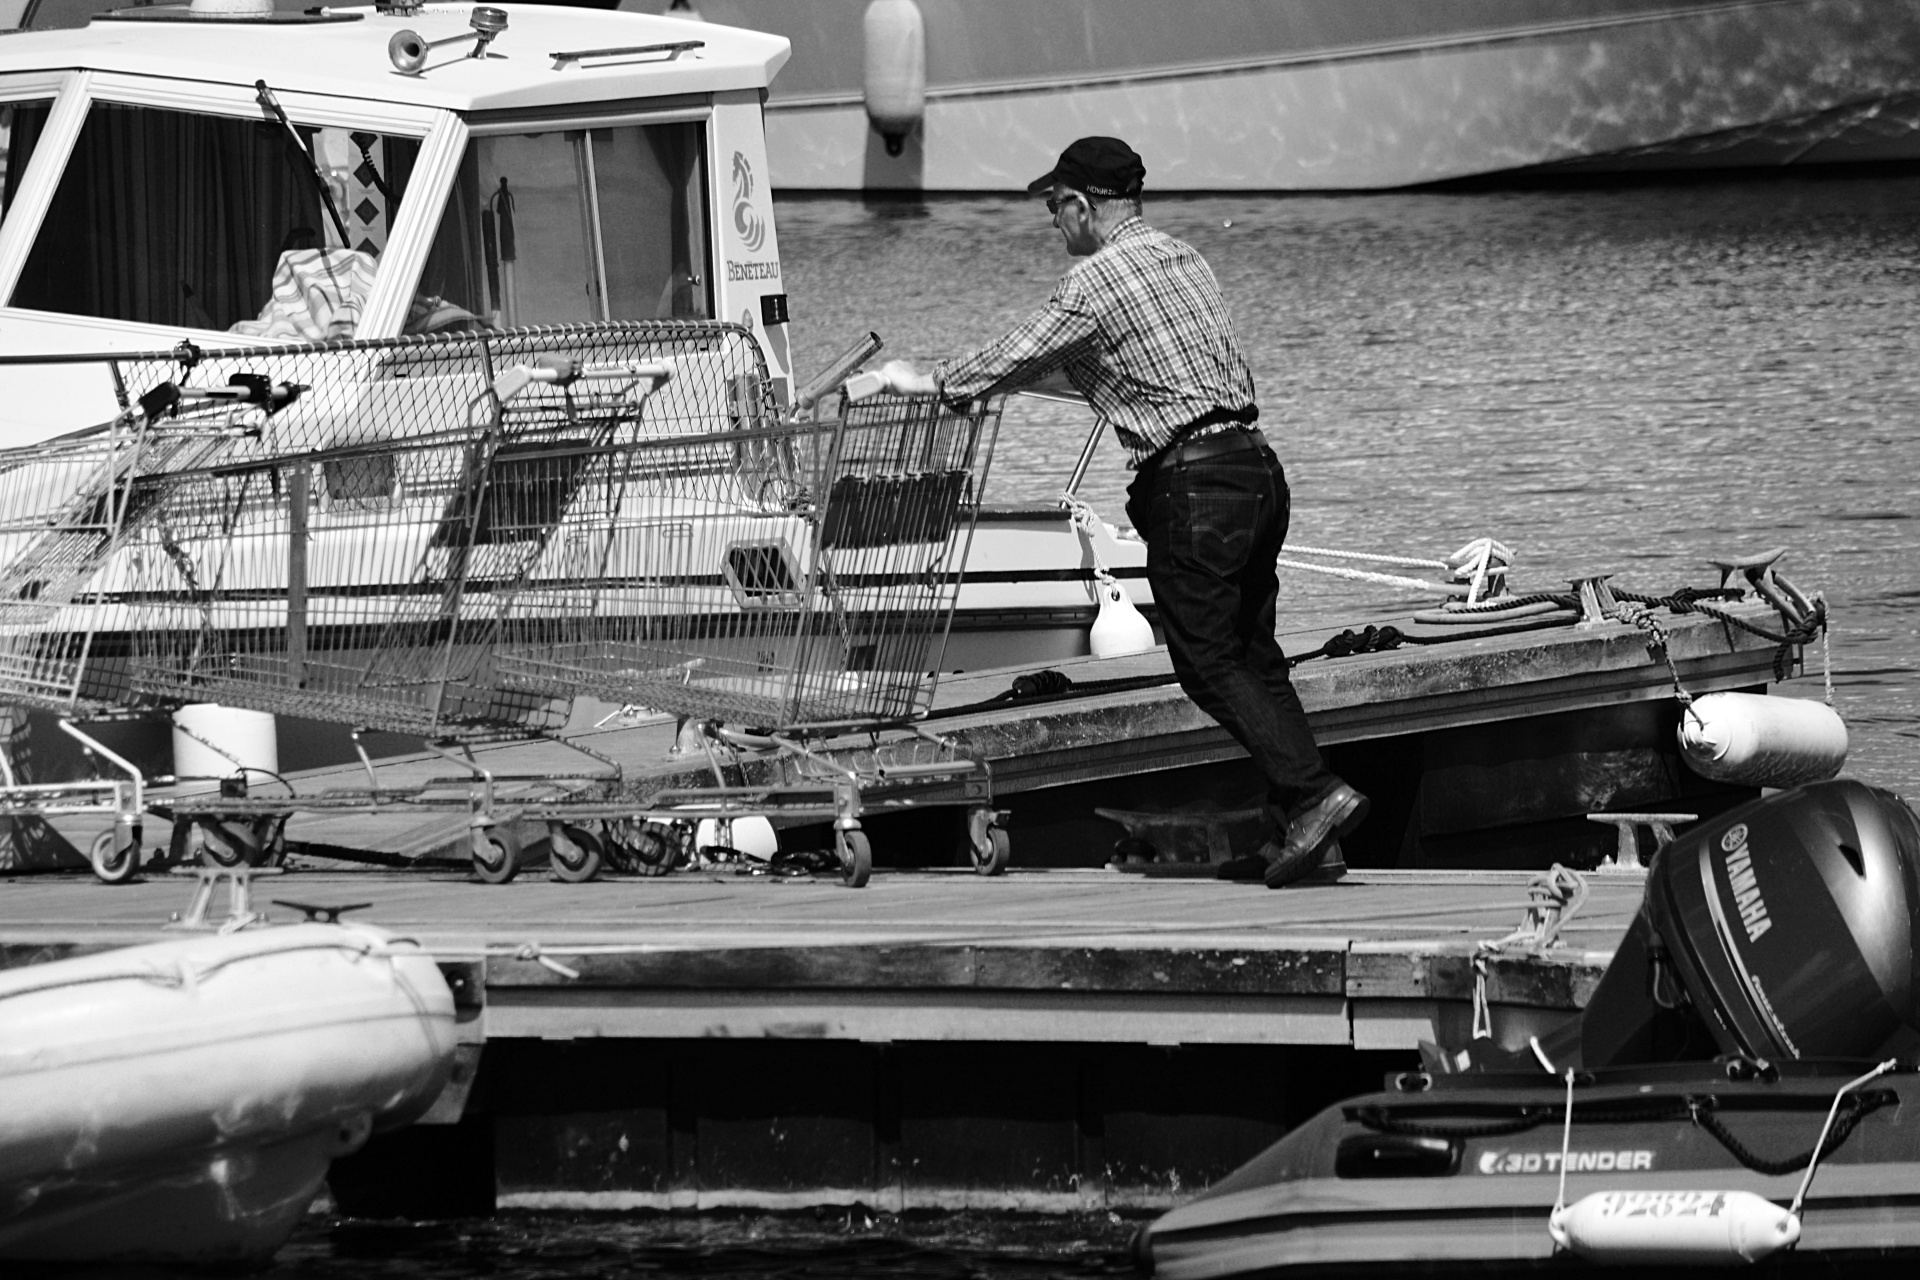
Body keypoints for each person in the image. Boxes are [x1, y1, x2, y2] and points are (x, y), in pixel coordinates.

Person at [878, 136, 1367, 887]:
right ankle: (1304, 830)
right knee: (1254, 657)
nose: (1052, 224)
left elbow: (1011, 353)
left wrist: (925, 379)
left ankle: (1312, 796)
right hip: (1256, 468)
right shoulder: (1185, 259)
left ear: (1080, 205)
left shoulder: (1093, 283)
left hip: (1194, 488)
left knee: (1207, 660)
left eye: (1053, 208)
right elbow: (1159, 368)